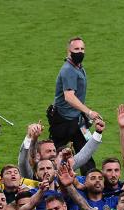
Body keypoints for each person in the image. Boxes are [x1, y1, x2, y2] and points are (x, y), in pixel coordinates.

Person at [48, 36, 99, 172]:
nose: (80, 52)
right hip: (63, 122)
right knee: (56, 156)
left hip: (75, 119)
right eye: (76, 49)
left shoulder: (78, 67)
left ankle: (90, 180)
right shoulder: (68, 70)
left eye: (82, 49)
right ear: (68, 51)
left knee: (86, 153)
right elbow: (69, 97)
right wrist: (89, 112)